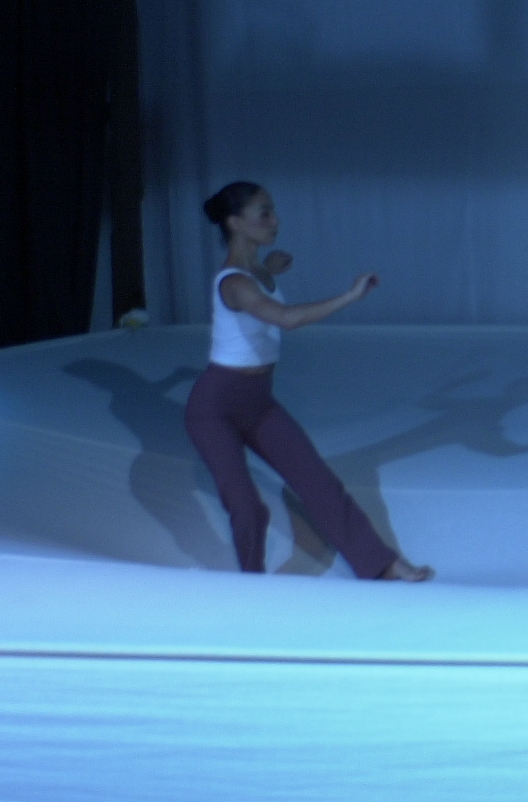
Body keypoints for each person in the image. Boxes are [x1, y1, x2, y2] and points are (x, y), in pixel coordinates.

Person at [183, 181, 433, 582]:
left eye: (273, 211)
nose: (275, 220)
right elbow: (287, 319)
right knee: (247, 507)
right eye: (264, 213)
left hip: (258, 402)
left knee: (318, 482)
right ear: (235, 223)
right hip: (215, 408)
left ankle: (382, 564)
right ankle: (251, 587)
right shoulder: (235, 283)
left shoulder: (255, 272)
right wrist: (350, 297)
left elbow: (260, 282)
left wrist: (271, 268)